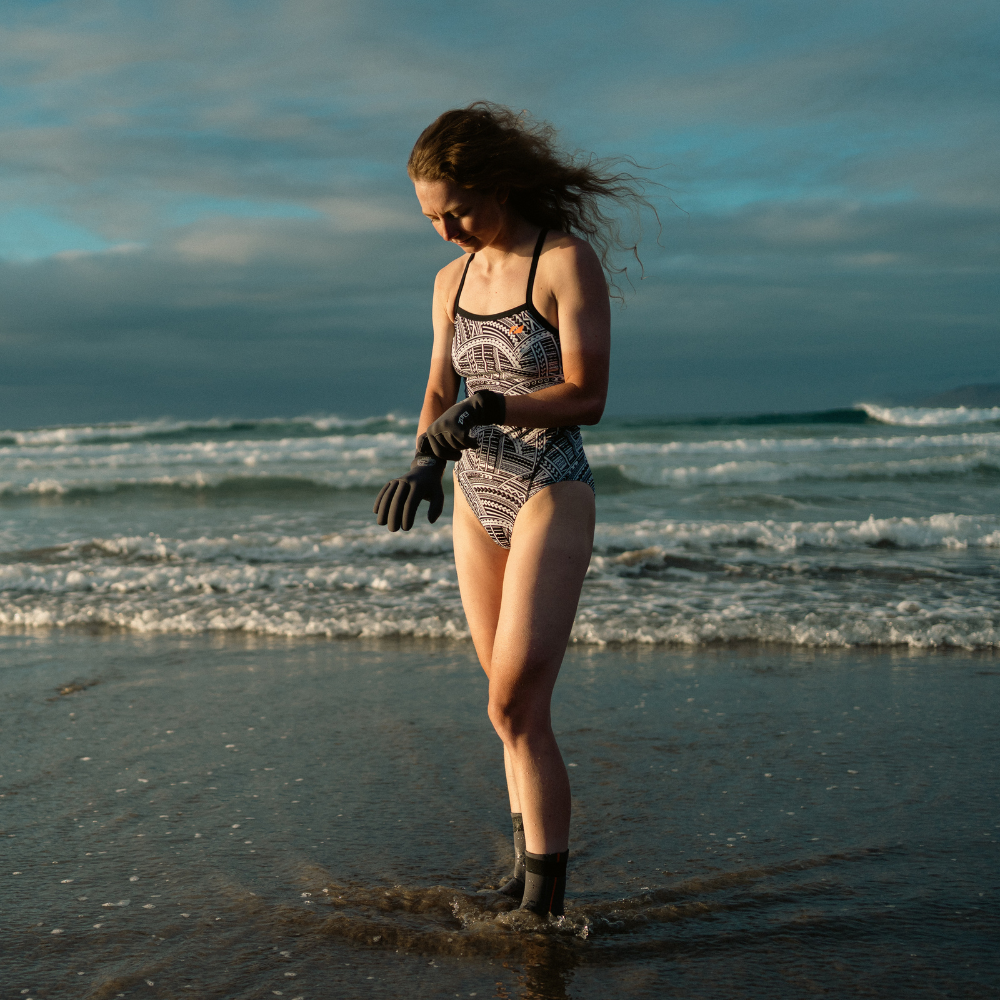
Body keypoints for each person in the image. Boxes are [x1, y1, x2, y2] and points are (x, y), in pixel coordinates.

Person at [374, 102, 649, 918]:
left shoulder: (562, 261)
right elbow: (437, 387)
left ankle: (547, 900)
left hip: (548, 486)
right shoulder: (449, 282)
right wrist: (425, 461)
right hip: (474, 495)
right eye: (431, 218)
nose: (446, 231)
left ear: (496, 183)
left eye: (455, 210)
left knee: (513, 702)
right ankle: (524, 873)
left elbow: (588, 395)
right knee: (506, 703)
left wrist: (492, 405)